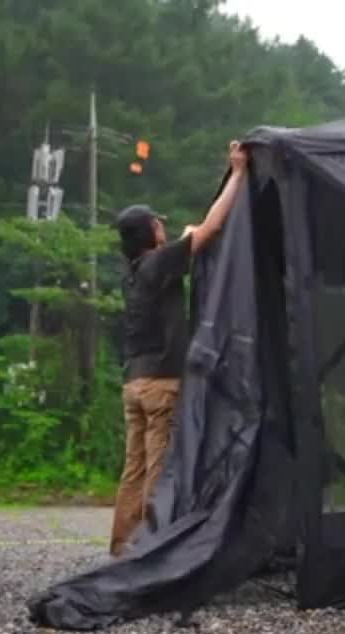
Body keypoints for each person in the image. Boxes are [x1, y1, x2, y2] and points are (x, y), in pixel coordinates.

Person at [108, 140, 249, 556]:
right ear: (151, 232)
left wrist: (188, 237)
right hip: (160, 385)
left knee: (133, 467)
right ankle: (151, 548)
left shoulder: (135, 272)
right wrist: (238, 173)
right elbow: (208, 230)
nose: (163, 228)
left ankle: (122, 545)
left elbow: (189, 238)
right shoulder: (157, 264)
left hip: (133, 383)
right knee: (159, 467)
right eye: (158, 224)